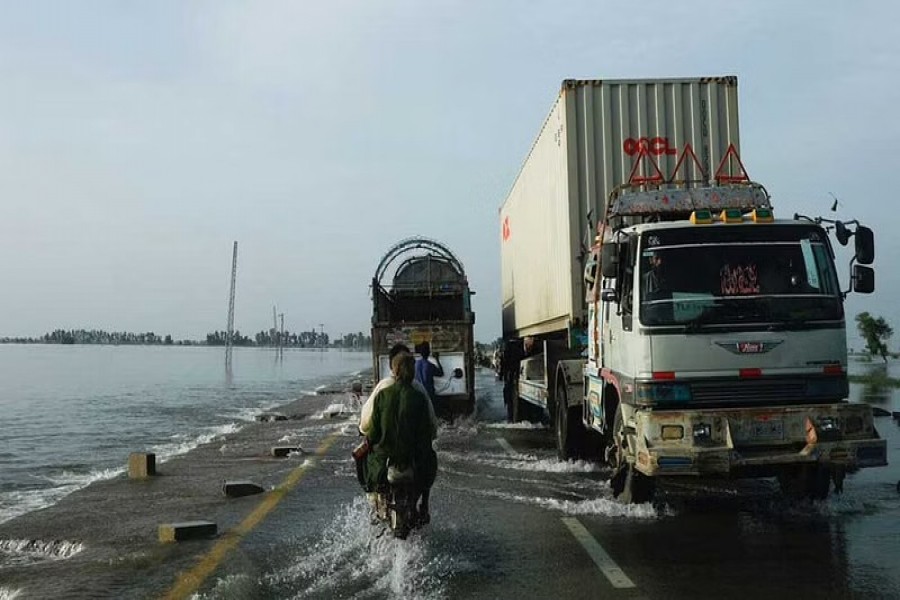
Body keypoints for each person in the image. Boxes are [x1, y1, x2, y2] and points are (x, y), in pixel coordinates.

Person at [362, 352, 438, 523]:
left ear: (393, 370)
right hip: (413, 459)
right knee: (430, 459)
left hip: (384, 462)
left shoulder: (382, 394)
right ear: (412, 371)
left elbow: (372, 434)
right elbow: (428, 433)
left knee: (364, 460)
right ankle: (424, 505)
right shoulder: (419, 396)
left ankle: (375, 503)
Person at [360, 343, 437, 438]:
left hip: (385, 451)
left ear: (392, 366)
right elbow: (433, 428)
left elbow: (364, 425)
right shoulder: (419, 390)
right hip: (415, 450)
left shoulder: (382, 388)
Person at [500, 336, 534, 422]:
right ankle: (512, 418)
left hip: (515, 377)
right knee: (511, 402)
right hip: (512, 377)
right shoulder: (513, 349)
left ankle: (514, 418)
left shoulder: (532, 350)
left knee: (514, 403)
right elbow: (504, 364)